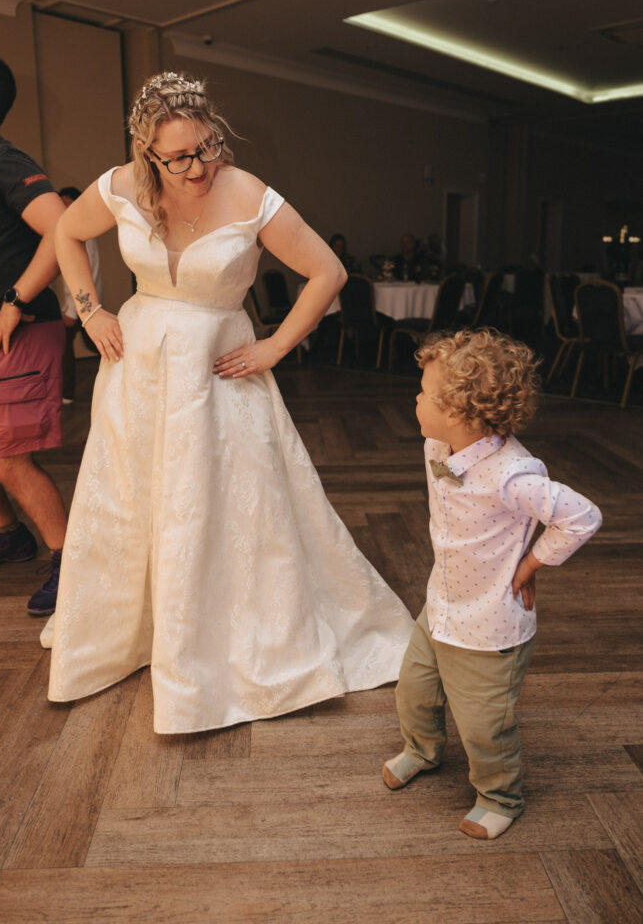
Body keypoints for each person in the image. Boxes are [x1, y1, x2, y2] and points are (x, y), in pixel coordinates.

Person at [40, 71, 414, 733]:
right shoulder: (120, 185)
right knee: (132, 497)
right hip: (139, 370)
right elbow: (67, 233)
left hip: (219, 372)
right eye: (179, 156)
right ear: (145, 152)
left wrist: (275, 347)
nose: (198, 166)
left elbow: (328, 273)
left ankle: (222, 646)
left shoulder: (248, 193)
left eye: (207, 146)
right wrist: (90, 309)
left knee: (229, 503)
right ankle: (130, 633)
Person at [382, 328, 601, 839]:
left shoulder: (512, 476)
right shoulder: (441, 443)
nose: (414, 398)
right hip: (441, 603)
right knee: (413, 690)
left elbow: (582, 516)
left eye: (422, 393)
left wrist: (531, 564)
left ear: (458, 413)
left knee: (485, 724)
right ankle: (422, 749)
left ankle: (501, 796)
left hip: (489, 622)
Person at [0, 45, 67, 616]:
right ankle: (9, 534)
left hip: (14, 334)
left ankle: (68, 559)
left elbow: (64, 230)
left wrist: (13, 302)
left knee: (6, 459)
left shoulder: (1, 160)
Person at [57, 187, 103, 403]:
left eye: (67, 203)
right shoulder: (71, 229)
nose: (64, 208)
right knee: (97, 344)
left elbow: (83, 274)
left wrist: (74, 311)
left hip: (83, 305)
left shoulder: (82, 232)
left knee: (99, 344)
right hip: (83, 305)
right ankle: (66, 393)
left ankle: (66, 393)